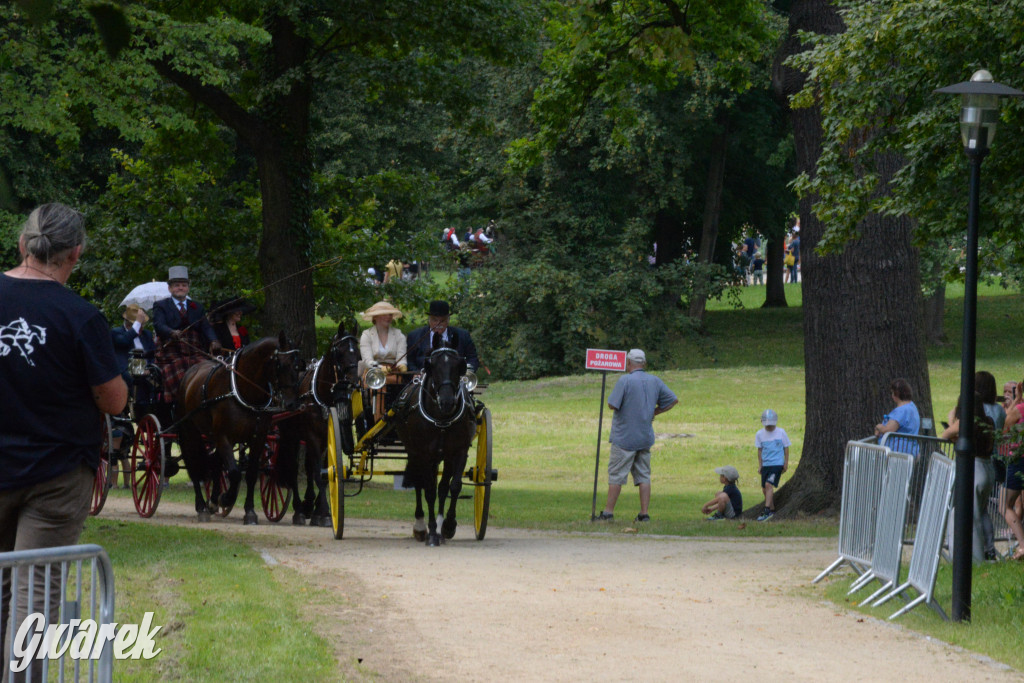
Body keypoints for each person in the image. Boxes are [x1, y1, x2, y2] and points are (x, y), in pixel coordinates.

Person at [0, 203, 127, 676]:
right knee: (36, 590)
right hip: (56, 475)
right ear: (74, 254)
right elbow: (113, 402)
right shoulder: (81, 316)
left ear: (22, 244)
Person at [596, 349, 678, 523]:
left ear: (628, 363)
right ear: (644, 364)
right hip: (645, 436)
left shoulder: (625, 380)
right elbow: (672, 400)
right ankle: (644, 513)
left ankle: (608, 512)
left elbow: (612, 404)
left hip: (624, 437)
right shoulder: (655, 381)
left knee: (617, 475)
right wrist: (655, 411)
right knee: (643, 475)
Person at [940, 390, 997, 563]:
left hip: (974, 468)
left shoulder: (965, 422)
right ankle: (990, 550)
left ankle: (975, 557)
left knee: (970, 515)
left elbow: (945, 435)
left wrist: (952, 419)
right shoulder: (989, 421)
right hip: (988, 467)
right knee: (983, 511)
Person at [152, 266, 221, 402]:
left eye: (184, 285)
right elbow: (159, 325)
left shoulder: (197, 307)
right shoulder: (161, 305)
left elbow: (206, 327)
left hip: (194, 350)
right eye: (177, 285)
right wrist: (171, 332)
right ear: (170, 288)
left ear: (188, 288)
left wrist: (213, 340)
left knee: (210, 369)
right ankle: (182, 402)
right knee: (180, 372)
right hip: (171, 351)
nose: (180, 288)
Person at [110, 303, 156, 486]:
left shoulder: (146, 335)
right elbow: (123, 343)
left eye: (142, 323)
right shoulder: (116, 332)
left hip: (144, 376)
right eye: (137, 322)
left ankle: (152, 414)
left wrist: (149, 368)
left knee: (156, 379)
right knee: (129, 377)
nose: (141, 326)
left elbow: (152, 354)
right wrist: (136, 325)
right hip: (124, 375)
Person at [406, 300, 478, 373]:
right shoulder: (415, 336)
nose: (438, 324)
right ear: (429, 320)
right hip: (424, 379)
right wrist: (415, 373)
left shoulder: (463, 335)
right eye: (435, 320)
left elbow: (473, 358)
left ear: (448, 320)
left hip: (454, 378)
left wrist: (466, 372)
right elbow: (409, 360)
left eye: (442, 321)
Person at [1000, 379, 1024, 560]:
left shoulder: (1019, 409)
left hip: (1019, 459)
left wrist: (1017, 400)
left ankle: (1023, 546)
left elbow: (1003, 426)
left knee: (1005, 504)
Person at [755, 409, 790, 521]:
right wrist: (760, 465)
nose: (769, 427)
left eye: (771, 425)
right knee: (764, 488)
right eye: (767, 425)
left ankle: (766, 510)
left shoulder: (781, 432)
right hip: (766, 464)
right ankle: (772, 508)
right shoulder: (760, 434)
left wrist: (785, 463)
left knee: (769, 485)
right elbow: (759, 450)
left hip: (777, 464)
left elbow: (786, 448)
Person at [874, 378, 920, 454]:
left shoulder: (902, 411)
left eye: (892, 392)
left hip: (898, 455)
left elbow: (888, 429)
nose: (892, 395)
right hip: (910, 450)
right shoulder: (912, 407)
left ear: (896, 394)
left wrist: (878, 427)